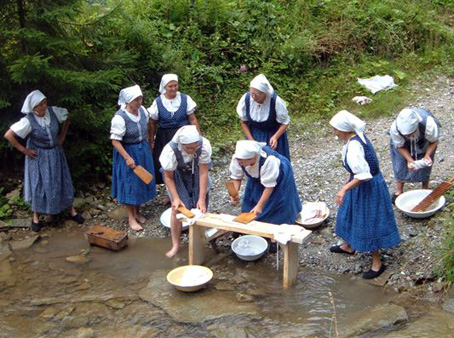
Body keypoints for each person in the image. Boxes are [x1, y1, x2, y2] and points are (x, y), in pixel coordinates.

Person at [329, 110, 401, 279]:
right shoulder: (356, 135)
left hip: (369, 186)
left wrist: (344, 189)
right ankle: (348, 245)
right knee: (348, 213)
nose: (334, 133)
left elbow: (364, 174)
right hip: (361, 183)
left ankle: (377, 263)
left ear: (345, 130)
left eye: (336, 129)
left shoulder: (354, 146)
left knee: (369, 222)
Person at [4, 90, 84, 232]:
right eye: (40, 104)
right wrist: (24, 150)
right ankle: (36, 216)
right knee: (39, 184)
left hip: (55, 153)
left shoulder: (53, 112)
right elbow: (9, 135)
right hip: (39, 157)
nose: (44, 106)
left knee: (62, 180)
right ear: (33, 107)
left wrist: (62, 136)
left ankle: (72, 210)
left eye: (44, 102)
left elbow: (68, 117)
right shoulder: (28, 120)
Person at [159, 125, 212, 258]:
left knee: (201, 206)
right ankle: (176, 245)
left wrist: (201, 198)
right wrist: (175, 198)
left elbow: (203, 172)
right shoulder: (170, 151)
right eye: (189, 148)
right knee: (177, 209)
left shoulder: (203, 145)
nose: (193, 150)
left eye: (195, 147)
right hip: (177, 176)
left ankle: (200, 241)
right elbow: (168, 177)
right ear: (182, 145)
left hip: (197, 173)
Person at [111, 84, 156, 231]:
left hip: (142, 150)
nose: (139, 102)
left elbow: (149, 126)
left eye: (140, 99)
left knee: (142, 180)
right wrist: (127, 157)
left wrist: (150, 141)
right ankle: (131, 217)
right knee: (130, 184)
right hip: (128, 151)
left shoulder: (142, 111)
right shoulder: (120, 117)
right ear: (128, 101)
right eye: (136, 100)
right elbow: (115, 141)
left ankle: (137, 212)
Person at [229, 140, 301, 228]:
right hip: (259, 176)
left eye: (242, 161)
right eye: (239, 161)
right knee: (252, 197)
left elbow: (269, 186)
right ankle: (252, 223)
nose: (240, 163)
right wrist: (234, 193)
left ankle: (279, 226)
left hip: (278, 174)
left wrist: (260, 205)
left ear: (252, 158)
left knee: (278, 200)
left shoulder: (269, 161)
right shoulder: (238, 159)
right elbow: (236, 177)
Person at [148, 74, 201, 186]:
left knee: (184, 163)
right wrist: (151, 140)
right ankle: (171, 192)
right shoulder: (158, 102)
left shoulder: (185, 99)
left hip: (183, 136)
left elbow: (193, 119)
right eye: (170, 86)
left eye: (175, 85)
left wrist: (198, 137)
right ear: (164, 87)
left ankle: (186, 188)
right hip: (164, 137)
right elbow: (152, 123)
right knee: (168, 164)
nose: (173, 89)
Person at [389, 107, 440, 202]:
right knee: (400, 163)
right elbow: (400, 146)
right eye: (405, 134)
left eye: (410, 133)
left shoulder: (428, 123)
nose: (408, 136)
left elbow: (434, 141)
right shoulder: (395, 128)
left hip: (423, 141)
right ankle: (399, 191)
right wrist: (410, 160)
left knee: (425, 165)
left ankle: (425, 188)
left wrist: (427, 155)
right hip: (402, 144)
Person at [236, 74, 291, 160]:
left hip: (273, 136)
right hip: (253, 135)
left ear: (264, 93)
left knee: (275, 164)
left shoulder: (275, 101)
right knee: (254, 164)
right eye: (251, 93)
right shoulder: (246, 99)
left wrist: (276, 137)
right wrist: (251, 140)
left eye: (257, 94)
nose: (253, 97)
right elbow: (243, 122)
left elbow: (285, 122)